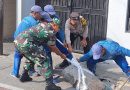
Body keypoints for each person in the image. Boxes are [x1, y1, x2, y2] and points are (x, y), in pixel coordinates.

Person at [14, 12, 66, 90]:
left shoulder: (44, 25)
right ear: (54, 25)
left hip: (18, 41)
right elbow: (53, 47)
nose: (58, 29)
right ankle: (50, 85)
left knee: (32, 56)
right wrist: (61, 55)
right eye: (58, 27)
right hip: (26, 43)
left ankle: (24, 76)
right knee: (45, 60)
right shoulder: (50, 31)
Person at [11, 5, 43, 78]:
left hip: (16, 38)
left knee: (17, 55)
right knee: (32, 55)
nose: (40, 15)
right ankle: (31, 71)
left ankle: (14, 73)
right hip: (24, 42)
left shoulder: (26, 18)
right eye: (39, 13)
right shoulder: (34, 23)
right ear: (35, 13)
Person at [44, 5, 73, 69]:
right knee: (47, 52)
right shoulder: (42, 18)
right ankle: (49, 69)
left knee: (63, 48)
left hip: (55, 35)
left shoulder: (56, 18)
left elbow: (60, 30)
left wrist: (63, 40)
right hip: (45, 36)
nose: (52, 15)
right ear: (45, 12)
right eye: (49, 14)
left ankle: (71, 62)